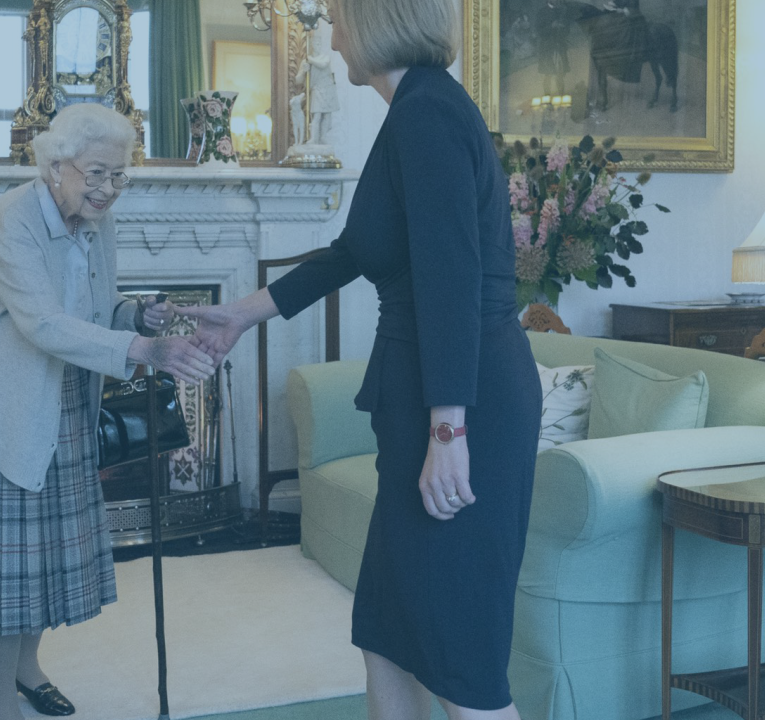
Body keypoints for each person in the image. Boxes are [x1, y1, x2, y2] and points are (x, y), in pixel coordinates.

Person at [178, 0, 541, 717]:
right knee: (387, 629)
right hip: (428, 394)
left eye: (341, 18)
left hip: (464, 403)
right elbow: (357, 251)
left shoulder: (426, 113)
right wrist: (242, 315)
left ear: (377, 22)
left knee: (460, 650)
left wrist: (448, 431)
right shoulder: (412, 108)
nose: (334, 35)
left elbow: (450, 278)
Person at [0, 103, 215, 720]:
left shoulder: (96, 223)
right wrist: (144, 348)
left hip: (67, 401)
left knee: (48, 556)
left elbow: (93, 307)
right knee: (11, 569)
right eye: (96, 174)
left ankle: (28, 670)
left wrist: (131, 315)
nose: (107, 190)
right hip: (9, 407)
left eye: (119, 177)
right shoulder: (10, 221)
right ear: (56, 165)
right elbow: (41, 321)